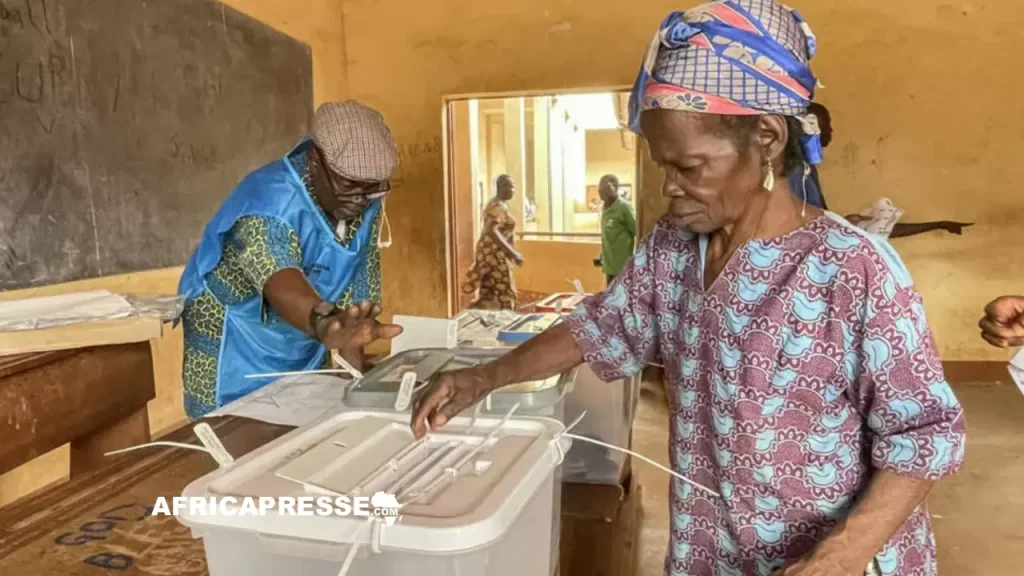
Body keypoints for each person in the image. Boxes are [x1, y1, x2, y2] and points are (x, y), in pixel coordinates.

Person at [412, 3, 965, 575]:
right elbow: (598, 326)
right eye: (661, 167)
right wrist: (487, 376)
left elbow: (925, 434)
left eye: (690, 168)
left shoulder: (853, 268)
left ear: (767, 138)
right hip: (715, 547)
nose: (669, 189)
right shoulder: (672, 249)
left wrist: (840, 555)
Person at [177, 100, 403, 420]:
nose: (361, 200)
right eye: (350, 185)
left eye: (373, 190)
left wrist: (354, 380)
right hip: (235, 341)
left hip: (305, 333)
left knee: (307, 428)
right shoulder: (268, 200)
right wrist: (327, 324)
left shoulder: (363, 199)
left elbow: (356, 302)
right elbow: (281, 283)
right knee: (235, 438)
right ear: (314, 161)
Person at [793, 103, 972, 239]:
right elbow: (803, 226)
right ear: (810, 128)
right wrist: (841, 224)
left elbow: (815, 221)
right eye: (827, 124)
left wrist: (843, 222)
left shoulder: (806, 168)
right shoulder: (796, 171)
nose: (831, 130)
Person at [463, 174, 524, 310]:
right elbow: (492, 229)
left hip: (490, 254)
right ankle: (506, 324)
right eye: (511, 186)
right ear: (501, 187)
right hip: (493, 255)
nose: (513, 190)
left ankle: (478, 319)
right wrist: (513, 253)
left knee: (489, 293)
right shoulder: (498, 206)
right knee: (505, 293)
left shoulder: (498, 204)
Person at [592, 174, 638, 286]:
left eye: (604, 190)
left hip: (622, 269)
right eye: (600, 190)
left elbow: (638, 231)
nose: (601, 193)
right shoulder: (604, 208)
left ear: (614, 189)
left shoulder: (624, 207)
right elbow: (608, 236)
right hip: (609, 268)